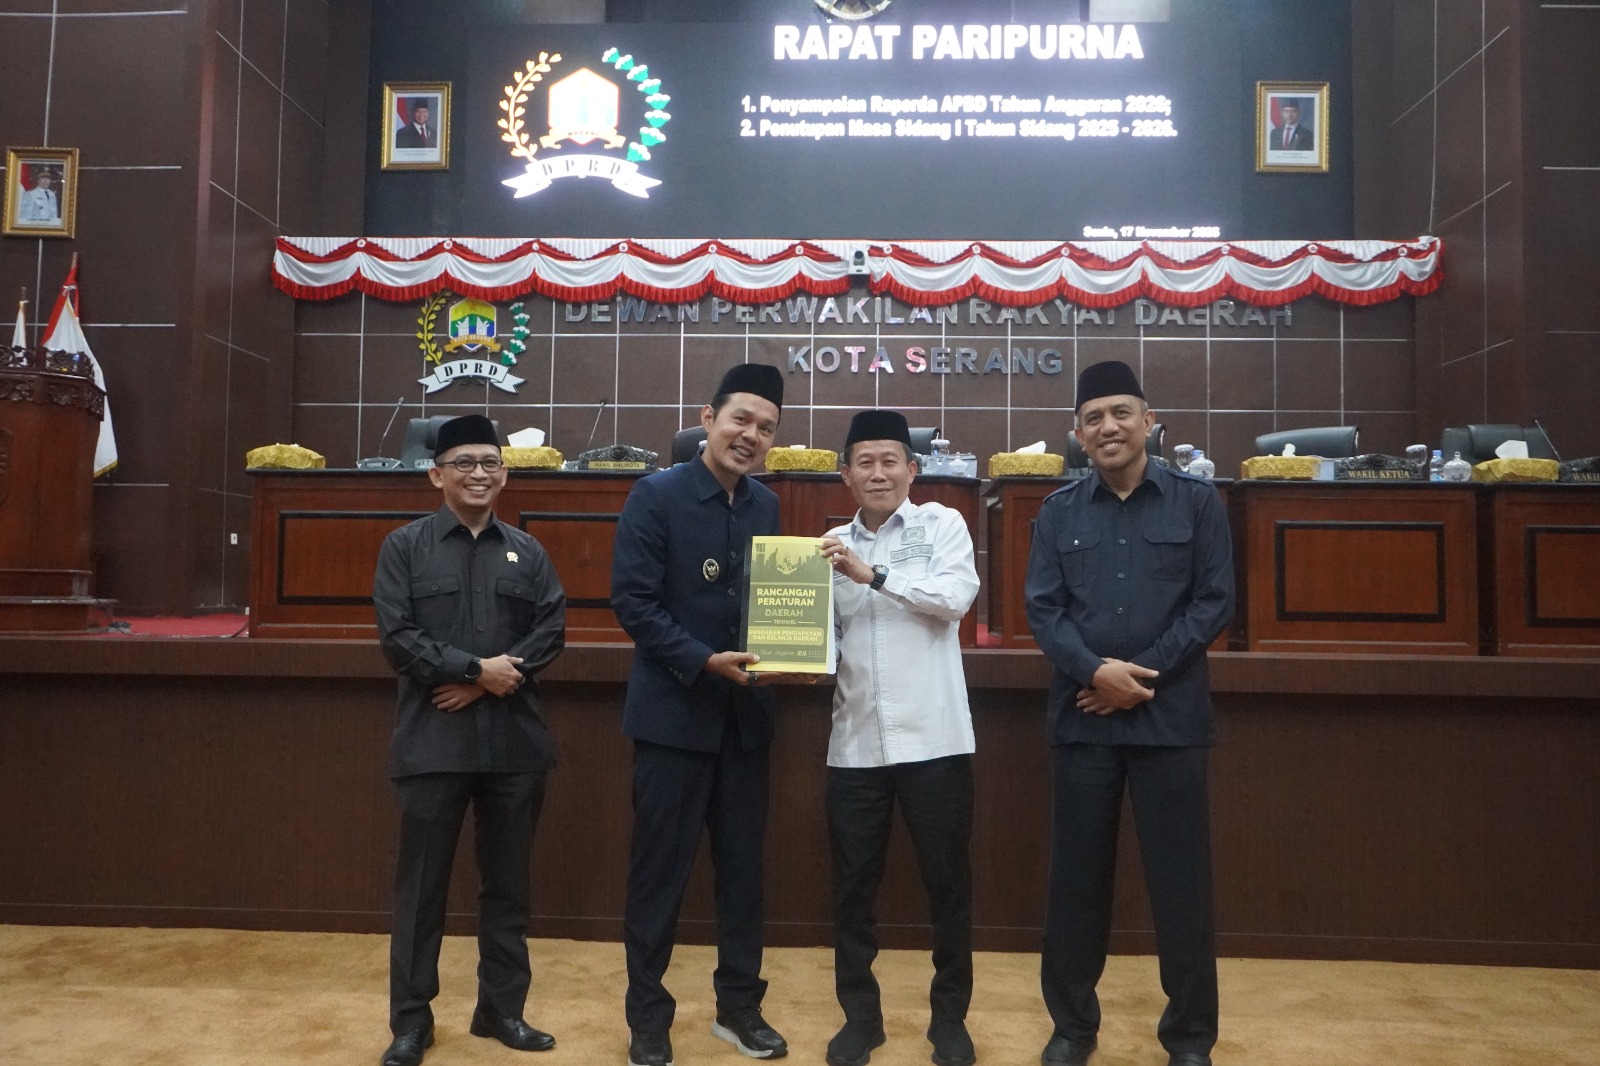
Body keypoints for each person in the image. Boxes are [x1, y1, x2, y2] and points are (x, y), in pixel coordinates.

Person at [1024, 361, 1234, 1066]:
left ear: (1149, 421)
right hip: (1084, 719)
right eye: (1093, 418)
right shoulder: (1058, 512)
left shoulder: (1197, 502)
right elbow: (1044, 611)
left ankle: (1190, 1039)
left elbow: (1214, 601)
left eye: (1120, 413)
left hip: (1170, 721)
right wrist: (1096, 673)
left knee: (1182, 887)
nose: (1107, 427)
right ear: (1077, 433)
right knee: (1076, 886)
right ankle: (1072, 1029)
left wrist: (1139, 677)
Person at [372, 414, 567, 1066]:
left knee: (508, 888)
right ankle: (411, 1023)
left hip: (514, 744)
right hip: (434, 743)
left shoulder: (528, 551)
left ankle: (501, 1011)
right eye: (464, 463)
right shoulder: (404, 547)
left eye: (490, 463)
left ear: (504, 474)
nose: (479, 474)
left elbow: (551, 630)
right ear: (437, 475)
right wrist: (471, 670)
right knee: (421, 891)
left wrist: (483, 683)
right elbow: (398, 638)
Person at [611, 363, 790, 1066]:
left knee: (744, 876)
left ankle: (739, 1009)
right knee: (659, 877)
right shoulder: (654, 495)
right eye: (741, 419)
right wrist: (701, 659)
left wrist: (795, 651)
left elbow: (773, 606)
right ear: (709, 417)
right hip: (673, 720)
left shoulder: (767, 506)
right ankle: (648, 1018)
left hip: (745, 723)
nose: (751, 436)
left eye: (766, 428)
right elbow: (634, 603)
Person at [817, 410, 981, 1066]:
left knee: (948, 887)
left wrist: (874, 575)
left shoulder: (943, 524)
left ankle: (950, 1020)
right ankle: (860, 1018)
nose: (878, 472)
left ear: (912, 470)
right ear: (846, 475)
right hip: (854, 743)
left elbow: (954, 599)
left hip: (935, 740)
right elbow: (822, 638)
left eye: (891, 461)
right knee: (852, 891)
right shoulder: (828, 546)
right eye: (865, 462)